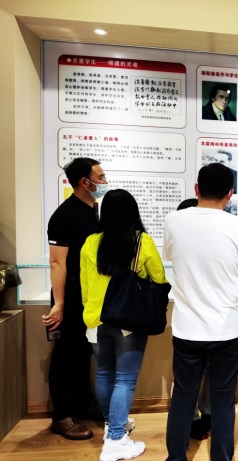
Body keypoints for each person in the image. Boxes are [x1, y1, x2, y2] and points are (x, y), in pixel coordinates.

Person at [163, 162, 238, 461]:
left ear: (196, 189)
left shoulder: (173, 221)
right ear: (230, 194)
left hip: (186, 329)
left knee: (183, 396)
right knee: (222, 400)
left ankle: (175, 457)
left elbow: (172, 257)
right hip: (227, 330)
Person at [80, 189, 166, 461]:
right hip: (128, 320)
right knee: (125, 379)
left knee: (104, 373)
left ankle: (112, 426)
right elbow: (159, 279)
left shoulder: (90, 243)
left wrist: (91, 310)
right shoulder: (141, 241)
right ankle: (116, 439)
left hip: (95, 319)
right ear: (133, 212)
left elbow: (84, 286)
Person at [43, 157, 108, 440]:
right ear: (85, 182)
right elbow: (57, 262)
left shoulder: (94, 209)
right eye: (101, 177)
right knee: (65, 355)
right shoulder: (64, 215)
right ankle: (62, 416)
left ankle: (82, 404)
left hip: (88, 297)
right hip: (68, 297)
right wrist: (59, 304)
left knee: (84, 353)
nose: (104, 182)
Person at [176, 197, 212, 440]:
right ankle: (199, 418)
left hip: (190, 324)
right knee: (202, 374)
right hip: (205, 324)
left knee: (189, 377)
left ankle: (198, 418)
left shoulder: (182, 243)